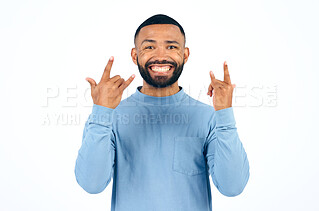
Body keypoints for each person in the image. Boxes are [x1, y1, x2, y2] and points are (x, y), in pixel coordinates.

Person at [74, 14, 250, 211]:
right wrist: (102, 111)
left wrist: (225, 114)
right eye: (149, 46)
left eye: (172, 46)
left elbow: (232, 187)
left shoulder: (209, 116)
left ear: (185, 54)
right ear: (135, 55)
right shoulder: (110, 116)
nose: (160, 55)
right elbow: (91, 184)